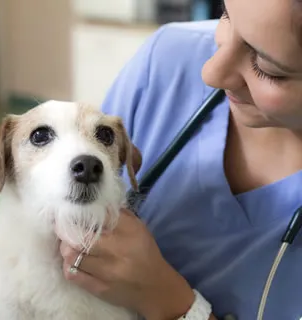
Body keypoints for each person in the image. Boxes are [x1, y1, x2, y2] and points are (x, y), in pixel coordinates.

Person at [56, 0, 302, 319]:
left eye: (267, 69)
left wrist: (168, 300)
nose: (210, 72)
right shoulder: (168, 60)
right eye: (226, 16)